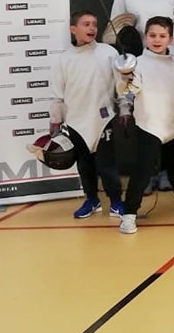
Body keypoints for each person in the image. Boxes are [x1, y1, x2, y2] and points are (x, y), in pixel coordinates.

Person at [115, 16, 174, 235]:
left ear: (170, 39)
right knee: (142, 172)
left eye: (162, 36)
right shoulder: (137, 64)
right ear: (145, 37)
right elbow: (130, 90)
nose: (157, 40)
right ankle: (129, 214)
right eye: (152, 35)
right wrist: (127, 79)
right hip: (149, 125)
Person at [52, 11, 124, 220]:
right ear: (73, 29)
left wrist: (125, 107)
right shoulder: (63, 60)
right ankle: (92, 200)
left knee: (107, 165)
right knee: (84, 164)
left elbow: (122, 85)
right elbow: (57, 96)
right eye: (86, 24)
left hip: (103, 119)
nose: (92, 28)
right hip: (75, 121)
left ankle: (116, 202)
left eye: (94, 24)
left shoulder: (108, 53)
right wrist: (55, 123)